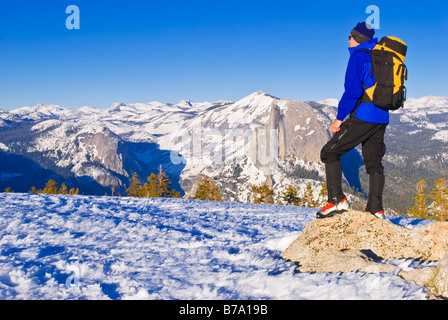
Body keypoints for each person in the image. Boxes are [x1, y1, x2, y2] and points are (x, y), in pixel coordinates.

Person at [317, 22, 388, 219]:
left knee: (329, 152)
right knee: (374, 162)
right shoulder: (381, 57)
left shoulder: (359, 56)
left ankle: (336, 201)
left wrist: (339, 119)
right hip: (382, 116)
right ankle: (376, 209)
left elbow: (353, 92)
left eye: (349, 36)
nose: (347, 40)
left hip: (364, 115)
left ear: (357, 38)